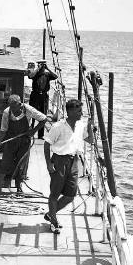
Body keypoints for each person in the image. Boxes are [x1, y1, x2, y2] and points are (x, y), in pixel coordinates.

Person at [43, 99, 94, 233]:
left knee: (71, 195)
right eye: (78, 111)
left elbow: (89, 140)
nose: (81, 114)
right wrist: (49, 163)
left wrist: (89, 126)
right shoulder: (58, 126)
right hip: (59, 161)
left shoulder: (80, 125)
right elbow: (47, 143)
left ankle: (50, 214)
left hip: (74, 160)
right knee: (54, 194)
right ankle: (53, 222)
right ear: (70, 111)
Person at [0, 94, 47, 195]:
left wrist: (33, 131)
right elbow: (3, 129)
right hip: (11, 141)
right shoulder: (7, 112)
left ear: (20, 105)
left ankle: (19, 187)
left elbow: (44, 119)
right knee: (5, 162)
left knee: (21, 164)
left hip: (24, 141)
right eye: (11, 107)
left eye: (15, 108)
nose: (13, 110)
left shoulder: (29, 110)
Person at [27, 60, 58, 139]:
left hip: (44, 96)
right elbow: (30, 76)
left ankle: (41, 135)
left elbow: (56, 76)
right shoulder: (35, 74)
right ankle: (31, 132)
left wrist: (48, 68)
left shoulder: (47, 75)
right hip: (35, 95)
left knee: (43, 114)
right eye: (41, 66)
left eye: (43, 66)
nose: (42, 68)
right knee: (32, 113)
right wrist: (38, 69)